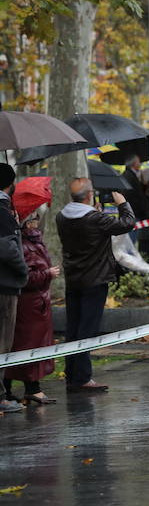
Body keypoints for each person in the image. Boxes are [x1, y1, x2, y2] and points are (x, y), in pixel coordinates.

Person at [57, 178, 135, 392]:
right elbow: (127, 223)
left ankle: (72, 373)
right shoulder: (95, 219)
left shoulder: (61, 217)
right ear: (90, 195)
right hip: (95, 279)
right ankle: (83, 377)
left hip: (74, 279)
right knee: (87, 329)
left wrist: (96, 213)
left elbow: (87, 226)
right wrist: (122, 204)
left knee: (73, 328)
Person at [3, 204, 58, 405]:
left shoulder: (33, 241)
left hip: (37, 304)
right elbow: (26, 275)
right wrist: (47, 274)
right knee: (28, 346)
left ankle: (13, 388)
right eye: (33, 218)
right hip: (31, 306)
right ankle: (30, 389)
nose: (36, 222)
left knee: (24, 345)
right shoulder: (24, 244)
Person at [0, 163, 27, 413]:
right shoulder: (3, 213)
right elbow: (7, 249)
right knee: (2, 343)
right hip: (5, 286)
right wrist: (23, 271)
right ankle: (0, 396)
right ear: (10, 184)